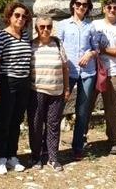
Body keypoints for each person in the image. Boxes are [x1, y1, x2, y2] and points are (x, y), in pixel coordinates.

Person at [58, 0, 102, 160]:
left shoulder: (91, 26)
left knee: (82, 111)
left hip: (87, 72)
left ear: (88, 7)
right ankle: (50, 146)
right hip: (68, 72)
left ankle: (77, 147)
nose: (81, 7)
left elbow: (96, 48)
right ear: (73, 5)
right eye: (78, 3)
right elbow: (58, 47)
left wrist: (89, 54)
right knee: (58, 109)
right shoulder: (63, 24)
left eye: (85, 4)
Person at [0, 1, 33, 175]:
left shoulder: (26, 36)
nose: (20, 18)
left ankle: (11, 156)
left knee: (16, 121)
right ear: (9, 16)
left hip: (24, 83)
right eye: (17, 15)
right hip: (6, 82)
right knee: (3, 121)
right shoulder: (1, 36)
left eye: (24, 16)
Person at [28, 16, 71, 171]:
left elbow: (65, 68)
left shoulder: (58, 44)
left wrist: (67, 88)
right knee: (36, 124)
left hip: (56, 91)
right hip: (37, 91)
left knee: (53, 125)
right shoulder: (31, 45)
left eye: (49, 26)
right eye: (42, 27)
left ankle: (52, 157)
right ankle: (36, 156)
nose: (46, 29)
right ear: (36, 28)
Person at [89, 0, 116, 155]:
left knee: (111, 109)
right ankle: (81, 137)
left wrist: (102, 50)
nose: (112, 10)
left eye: (115, 8)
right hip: (94, 71)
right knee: (87, 106)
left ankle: (113, 140)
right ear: (104, 9)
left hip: (113, 72)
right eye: (109, 7)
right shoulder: (95, 24)